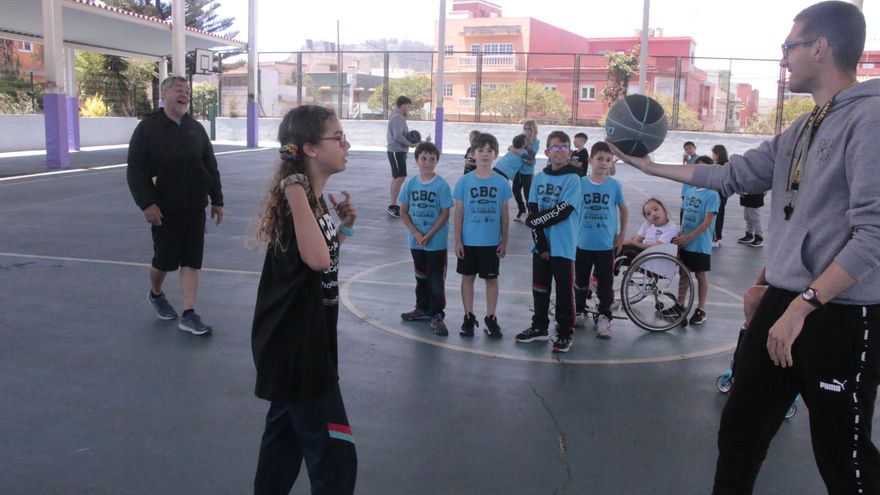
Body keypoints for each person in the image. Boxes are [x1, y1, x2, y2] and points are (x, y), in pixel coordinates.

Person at [609, 3, 880, 492]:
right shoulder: (802, 127)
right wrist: (648, 167)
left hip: (840, 313)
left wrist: (802, 305)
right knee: (740, 433)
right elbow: (731, 175)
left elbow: (875, 235)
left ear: (820, 48)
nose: (783, 58)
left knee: (843, 455)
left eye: (789, 46)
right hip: (784, 302)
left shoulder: (871, 119)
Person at [250, 105, 358, 494]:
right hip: (297, 350)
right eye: (338, 137)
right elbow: (317, 259)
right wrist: (294, 187)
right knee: (336, 459)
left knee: (282, 448)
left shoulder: (314, 202)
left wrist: (344, 228)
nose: (346, 144)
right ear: (311, 148)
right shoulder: (296, 201)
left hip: (305, 345)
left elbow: (320, 259)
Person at [126, 75, 223, 336]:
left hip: (195, 207)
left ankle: (189, 313)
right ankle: (156, 294)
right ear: (164, 94)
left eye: (188, 91)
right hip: (164, 210)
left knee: (192, 260)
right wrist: (147, 203)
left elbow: (210, 165)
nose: (185, 95)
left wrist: (217, 200)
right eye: (179, 90)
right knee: (164, 261)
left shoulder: (195, 128)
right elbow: (136, 170)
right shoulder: (147, 128)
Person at [514, 131, 582, 352]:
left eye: (564, 147)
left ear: (569, 152)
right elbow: (532, 208)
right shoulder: (539, 178)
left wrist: (535, 221)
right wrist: (541, 243)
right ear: (547, 152)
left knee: (563, 291)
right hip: (540, 245)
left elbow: (563, 210)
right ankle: (539, 326)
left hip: (563, 245)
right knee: (540, 288)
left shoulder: (573, 179)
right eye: (555, 147)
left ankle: (565, 331)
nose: (559, 151)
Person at [453, 132, 512, 338]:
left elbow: (505, 214)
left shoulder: (502, 183)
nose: (485, 154)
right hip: (469, 241)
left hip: (491, 242)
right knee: (467, 278)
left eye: (489, 150)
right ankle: (468, 317)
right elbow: (458, 213)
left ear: (496, 154)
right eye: (480, 150)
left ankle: (491, 317)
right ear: (473, 153)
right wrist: (458, 240)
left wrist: (504, 241)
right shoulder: (464, 182)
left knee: (491, 280)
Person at [398, 141, 454, 336]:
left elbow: (445, 213)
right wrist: (416, 233)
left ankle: (437, 313)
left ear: (437, 161)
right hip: (416, 242)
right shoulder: (410, 184)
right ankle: (421, 308)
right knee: (420, 276)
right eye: (423, 158)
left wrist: (429, 234)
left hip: (435, 243)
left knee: (435, 279)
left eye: (432, 159)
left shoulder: (442, 186)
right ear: (417, 160)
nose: (427, 163)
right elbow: (403, 211)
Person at [573, 141, 628, 338]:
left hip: (605, 244)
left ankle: (605, 316)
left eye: (608, 160)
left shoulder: (614, 185)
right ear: (590, 160)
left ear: (611, 162)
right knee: (580, 281)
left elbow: (623, 210)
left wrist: (621, 235)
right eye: (600, 159)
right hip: (582, 242)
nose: (604, 163)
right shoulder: (580, 183)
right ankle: (579, 310)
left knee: (605, 283)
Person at [662, 155, 718, 326]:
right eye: (698, 168)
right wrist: (680, 233)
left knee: (700, 274)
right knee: (684, 273)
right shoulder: (690, 191)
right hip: (685, 241)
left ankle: (701, 309)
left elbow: (707, 222)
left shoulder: (712, 194)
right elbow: (685, 215)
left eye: (705, 169)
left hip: (699, 243)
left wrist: (689, 237)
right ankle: (680, 305)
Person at [619, 197, 680, 264]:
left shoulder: (671, 228)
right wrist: (630, 242)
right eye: (648, 214)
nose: (653, 214)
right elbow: (637, 240)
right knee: (618, 247)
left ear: (664, 210)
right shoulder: (648, 224)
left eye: (656, 209)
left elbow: (655, 248)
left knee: (622, 249)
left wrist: (631, 242)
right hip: (643, 252)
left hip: (655, 256)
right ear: (647, 219)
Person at [386, 95, 416, 218]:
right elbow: (398, 136)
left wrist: (417, 141)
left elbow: (404, 135)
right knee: (400, 177)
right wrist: (410, 144)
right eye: (408, 106)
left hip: (399, 151)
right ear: (403, 105)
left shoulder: (399, 117)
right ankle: (392, 205)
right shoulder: (397, 117)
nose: (409, 109)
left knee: (397, 177)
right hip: (396, 150)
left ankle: (392, 204)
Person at [512, 120, 540, 222]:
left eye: (529, 128)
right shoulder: (521, 138)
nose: (527, 131)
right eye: (525, 128)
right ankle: (522, 210)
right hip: (518, 170)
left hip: (527, 172)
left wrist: (524, 151)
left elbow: (531, 158)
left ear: (534, 130)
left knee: (528, 194)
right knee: (515, 190)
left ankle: (531, 214)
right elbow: (514, 149)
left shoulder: (535, 143)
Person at [711, 145, 729, 248]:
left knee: (717, 215)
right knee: (717, 215)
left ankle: (716, 237)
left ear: (718, 154)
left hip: (720, 194)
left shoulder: (724, 166)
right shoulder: (718, 165)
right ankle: (716, 236)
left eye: (714, 153)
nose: (712, 155)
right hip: (718, 193)